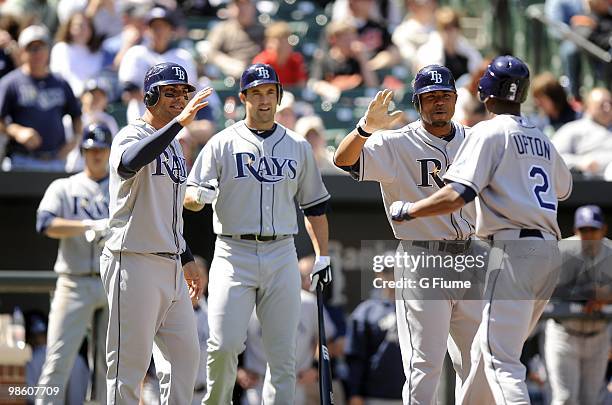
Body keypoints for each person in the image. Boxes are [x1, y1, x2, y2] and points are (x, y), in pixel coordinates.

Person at [387, 55, 573, 403]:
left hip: (512, 251)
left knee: (500, 362)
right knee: (484, 356)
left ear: (485, 91)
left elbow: (458, 194)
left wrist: (411, 210)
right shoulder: (542, 136)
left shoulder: (487, 131)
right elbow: (564, 189)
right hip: (548, 253)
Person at [333, 64, 491, 404]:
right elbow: (343, 160)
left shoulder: (474, 139)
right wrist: (364, 129)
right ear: (418, 103)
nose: (438, 103)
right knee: (424, 363)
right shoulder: (396, 142)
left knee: (479, 361)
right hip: (424, 256)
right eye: (430, 97)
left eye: (445, 96)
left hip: (472, 255)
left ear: (455, 100)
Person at [184, 63, 332, 404]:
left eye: (269, 93)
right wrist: (198, 197)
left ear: (278, 97)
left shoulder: (298, 146)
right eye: (256, 93)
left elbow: (315, 208)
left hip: (281, 252)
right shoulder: (222, 143)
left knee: (283, 356)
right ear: (243, 98)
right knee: (222, 345)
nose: (264, 100)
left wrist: (322, 254)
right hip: (233, 252)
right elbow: (189, 198)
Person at [100, 61, 213, 404]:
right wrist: (179, 124)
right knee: (128, 368)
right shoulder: (131, 133)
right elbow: (128, 162)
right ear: (150, 97)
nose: (180, 98)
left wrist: (187, 257)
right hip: (132, 260)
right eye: (170, 92)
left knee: (185, 360)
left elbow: (170, 212)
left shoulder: (177, 146)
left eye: (184, 92)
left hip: (170, 264)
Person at [35, 123, 113, 404]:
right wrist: (85, 225)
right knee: (58, 360)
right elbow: (44, 223)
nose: (97, 155)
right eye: (91, 149)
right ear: (82, 152)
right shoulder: (65, 186)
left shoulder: (121, 188)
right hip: (74, 281)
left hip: (111, 282)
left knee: (110, 366)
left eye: (102, 149)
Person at [546, 205, 612, 405]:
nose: (589, 235)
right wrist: (586, 293)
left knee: (591, 401)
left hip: (598, 336)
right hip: (566, 335)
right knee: (565, 399)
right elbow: (546, 289)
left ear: (603, 230)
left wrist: (607, 295)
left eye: (594, 229)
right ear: (576, 230)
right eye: (584, 230)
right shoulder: (562, 251)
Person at [0, 24, 82, 171]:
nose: (37, 53)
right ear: (22, 51)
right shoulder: (11, 83)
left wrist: (74, 142)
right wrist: (16, 131)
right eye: (32, 48)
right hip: (21, 160)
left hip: (55, 161)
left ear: (48, 50)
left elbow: (77, 116)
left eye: (41, 46)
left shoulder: (61, 82)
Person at [345, 266, 404, 405]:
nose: (393, 276)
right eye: (388, 271)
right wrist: (354, 393)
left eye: (398, 270)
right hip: (374, 395)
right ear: (379, 275)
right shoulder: (366, 311)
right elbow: (355, 356)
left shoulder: (418, 308)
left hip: (412, 394)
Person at [552, 87, 612, 177]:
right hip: (589, 184)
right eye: (602, 105)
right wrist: (579, 163)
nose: (608, 108)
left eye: (610, 103)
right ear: (589, 107)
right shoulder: (573, 129)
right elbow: (552, 156)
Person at [415, 7, 483, 78]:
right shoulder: (427, 53)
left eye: (454, 26)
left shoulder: (470, 53)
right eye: (446, 28)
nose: (450, 32)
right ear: (439, 30)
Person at [203, 0, 264, 78]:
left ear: (253, 8)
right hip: (230, 77)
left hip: (258, 75)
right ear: (230, 8)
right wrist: (229, 64)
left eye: (245, 5)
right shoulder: (222, 28)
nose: (241, 9)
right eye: (238, 5)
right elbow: (211, 52)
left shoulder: (264, 30)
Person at [50, 11, 105, 97]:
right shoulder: (61, 48)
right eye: (79, 26)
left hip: (92, 98)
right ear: (69, 28)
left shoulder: (97, 52)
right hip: (68, 97)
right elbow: (61, 75)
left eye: (88, 26)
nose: (84, 30)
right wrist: (81, 91)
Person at [252, 21, 308, 87]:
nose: (284, 45)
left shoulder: (295, 60)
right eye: (279, 41)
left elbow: (301, 86)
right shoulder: (262, 63)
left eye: (286, 40)